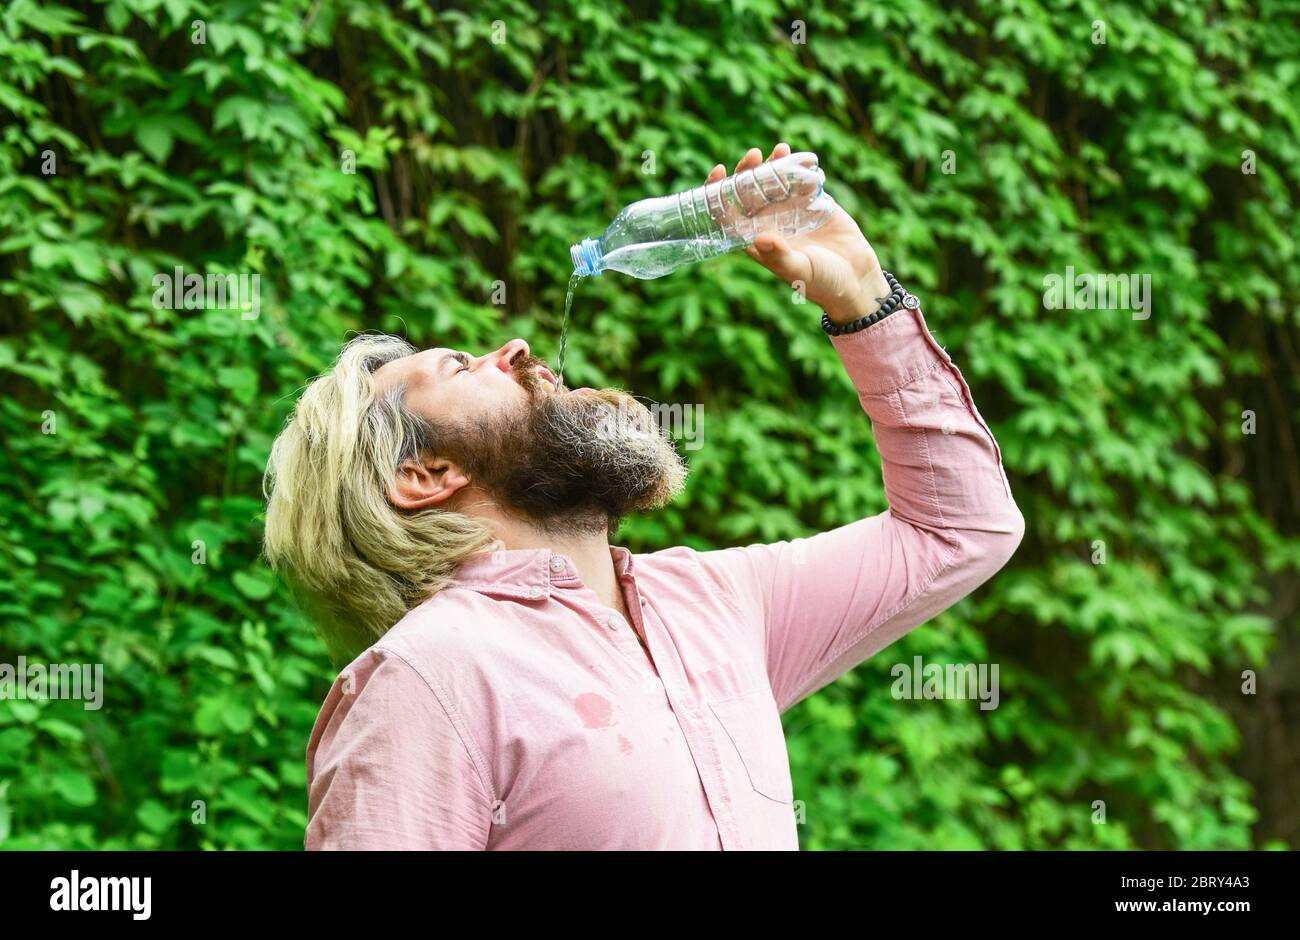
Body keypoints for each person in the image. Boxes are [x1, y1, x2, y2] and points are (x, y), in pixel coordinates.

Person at [263, 142, 1025, 850]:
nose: (517, 347)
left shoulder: (718, 602)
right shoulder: (425, 680)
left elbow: (959, 530)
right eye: (462, 367)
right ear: (424, 474)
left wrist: (862, 295)